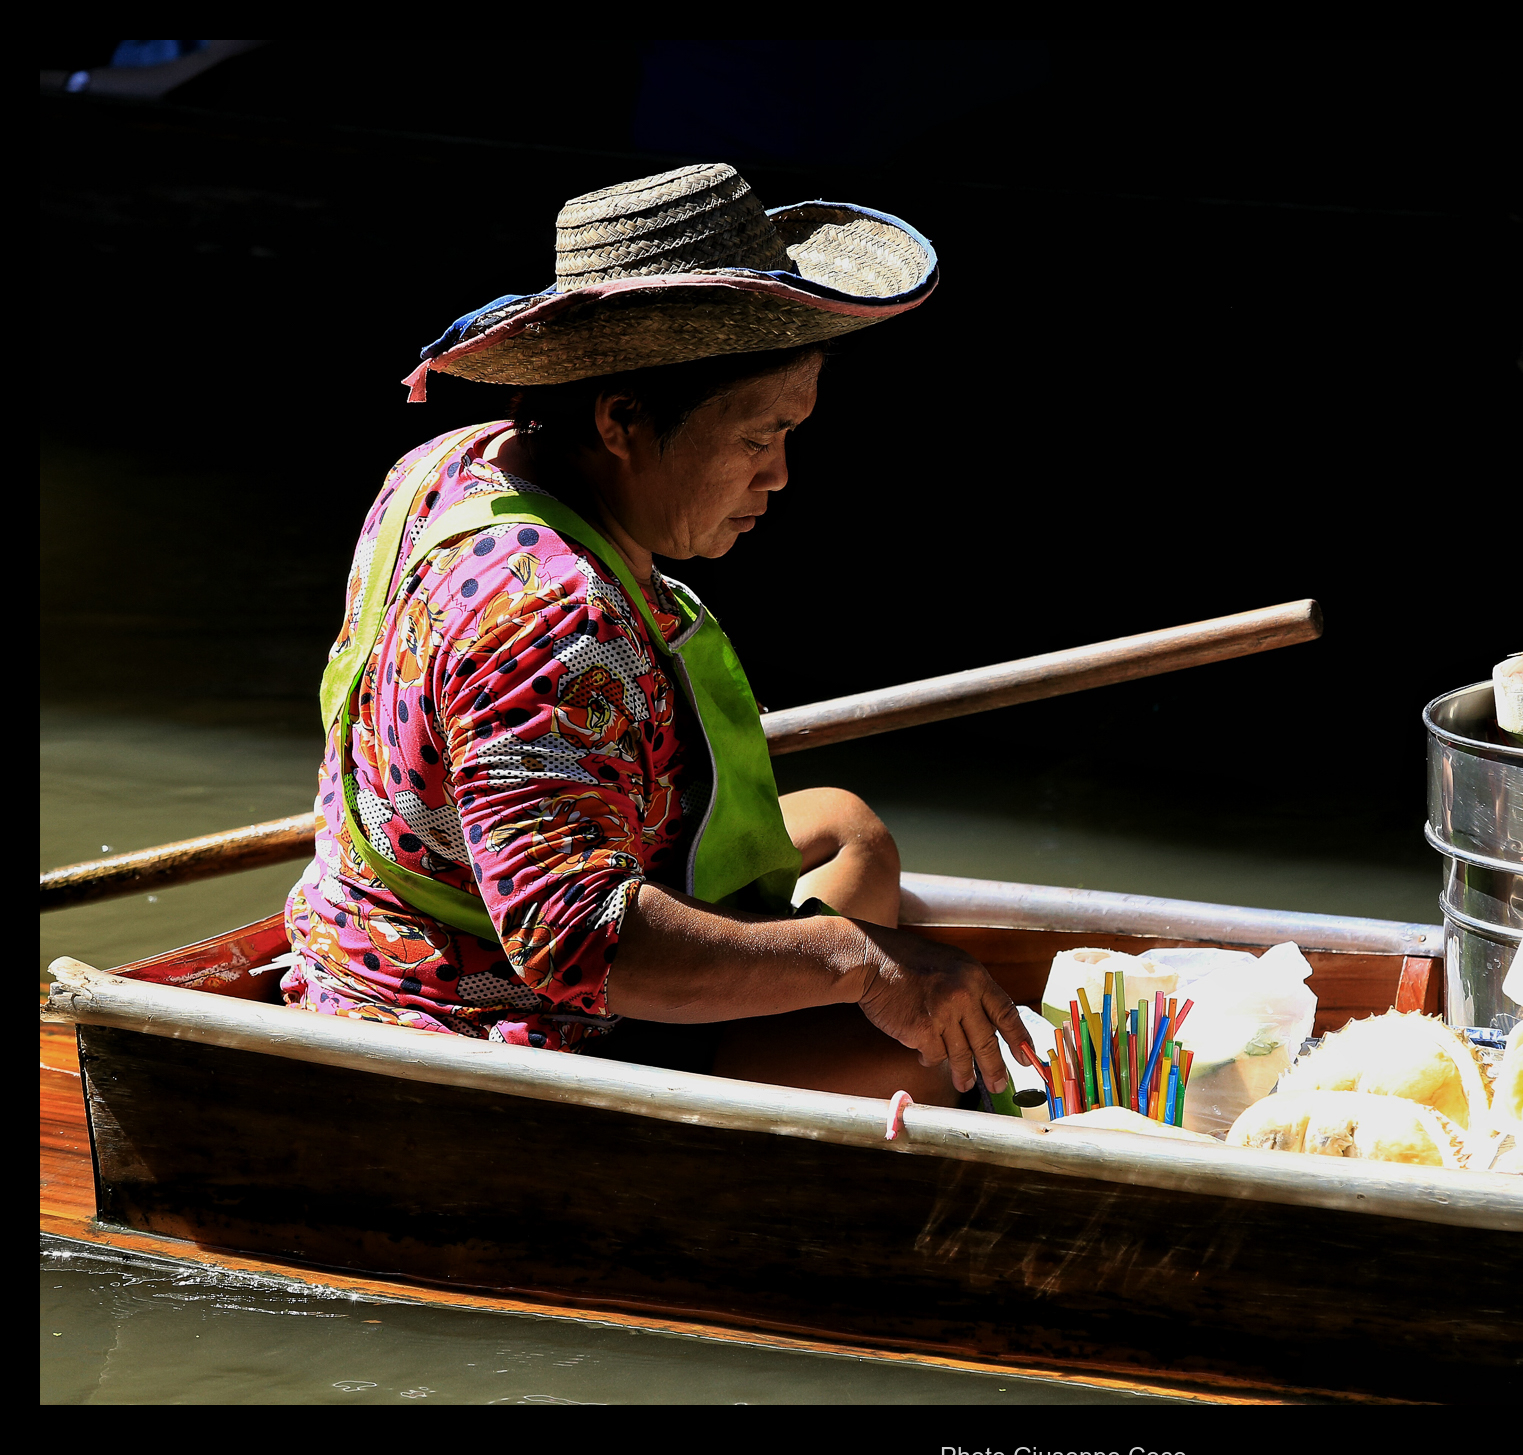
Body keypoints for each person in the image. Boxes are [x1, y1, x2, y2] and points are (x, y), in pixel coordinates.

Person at [283, 162, 1032, 1107]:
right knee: (925, 1070)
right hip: (487, 1013)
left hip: (446, 898)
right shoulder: (551, 613)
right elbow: (577, 942)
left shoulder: (450, 462)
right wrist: (861, 963)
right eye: (759, 438)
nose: (780, 476)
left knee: (848, 835)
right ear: (623, 419)